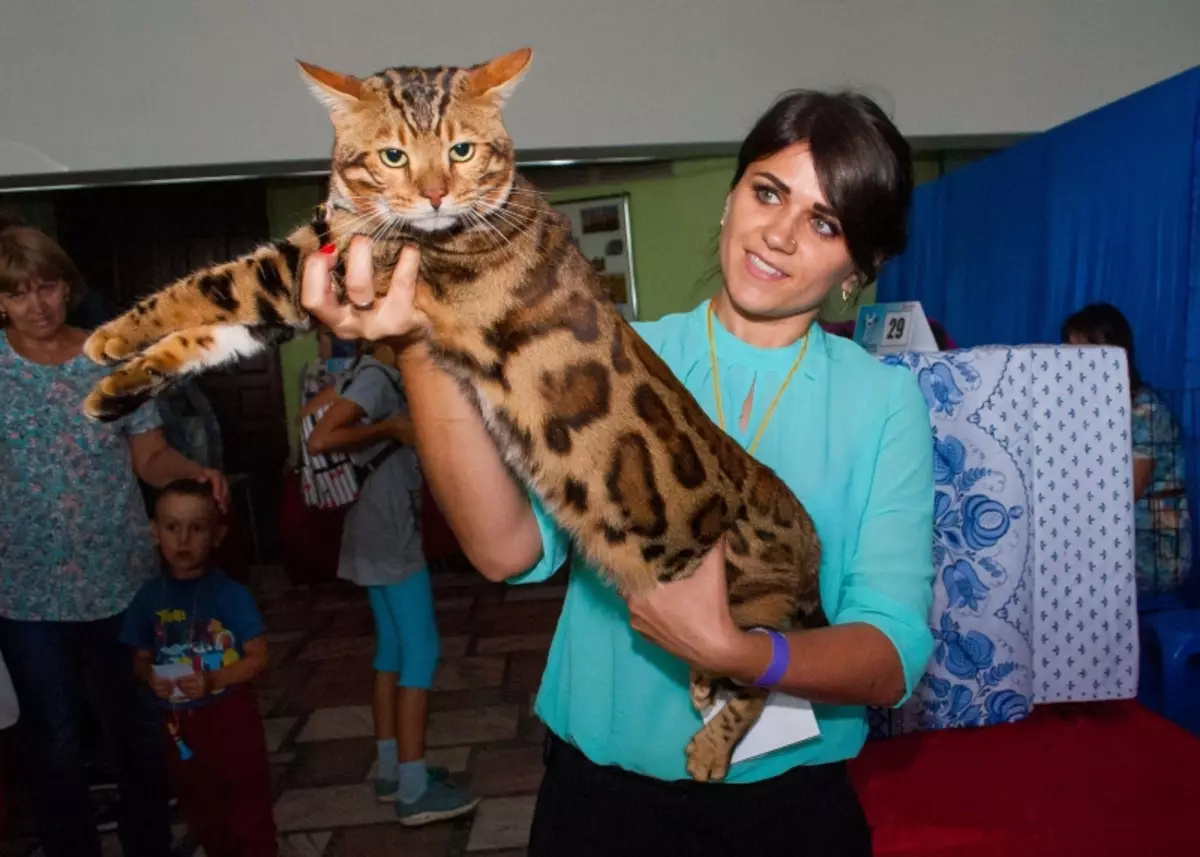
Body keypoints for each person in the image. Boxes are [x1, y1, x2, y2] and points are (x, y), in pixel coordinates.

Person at [302, 89, 935, 855]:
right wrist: (415, 341)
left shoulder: (881, 400)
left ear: (858, 265)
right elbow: (507, 550)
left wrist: (741, 653)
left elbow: (892, 653)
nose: (778, 234)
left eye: (824, 222)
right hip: (603, 806)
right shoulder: (615, 351)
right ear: (732, 195)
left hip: (785, 812)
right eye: (768, 192)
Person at [0, 224, 229, 857]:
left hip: (122, 581)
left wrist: (190, 471)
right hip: (27, 593)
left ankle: (148, 844)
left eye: (47, 286)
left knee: (136, 728)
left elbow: (150, 457)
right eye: (18, 293)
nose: (37, 305)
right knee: (53, 735)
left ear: (67, 287)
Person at [306, 349, 478, 826]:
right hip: (387, 535)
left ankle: (392, 771)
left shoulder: (369, 372)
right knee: (421, 651)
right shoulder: (378, 378)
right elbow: (321, 438)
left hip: (369, 529)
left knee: (392, 651)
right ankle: (414, 788)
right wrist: (390, 429)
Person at [120, 479, 276, 857]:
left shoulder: (230, 595)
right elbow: (139, 658)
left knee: (247, 811)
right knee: (201, 809)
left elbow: (259, 656)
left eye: (197, 528)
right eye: (172, 528)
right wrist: (150, 675)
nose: (183, 540)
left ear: (217, 535)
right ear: (155, 532)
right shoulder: (148, 598)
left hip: (229, 720)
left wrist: (215, 679)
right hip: (178, 724)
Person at [1062, 303, 1192, 602]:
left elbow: (1126, 492)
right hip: (1109, 542)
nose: (1076, 364)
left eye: (1087, 353)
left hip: (1151, 548)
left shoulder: (1143, 409)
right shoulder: (1087, 407)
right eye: (1070, 353)